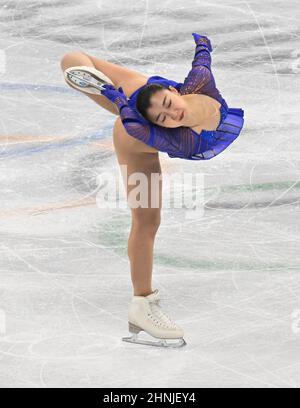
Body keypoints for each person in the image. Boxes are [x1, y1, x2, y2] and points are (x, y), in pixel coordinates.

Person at [60, 32, 244, 348]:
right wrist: (112, 96)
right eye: (165, 117)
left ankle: (96, 83)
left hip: (144, 94)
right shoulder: (164, 135)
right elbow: (137, 123)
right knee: (147, 222)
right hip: (137, 139)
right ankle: (141, 304)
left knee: (105, 76)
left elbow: (202, 60)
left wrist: (203, 43)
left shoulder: (197, 85)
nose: (174, 115)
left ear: (176, 90)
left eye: (171, 105)